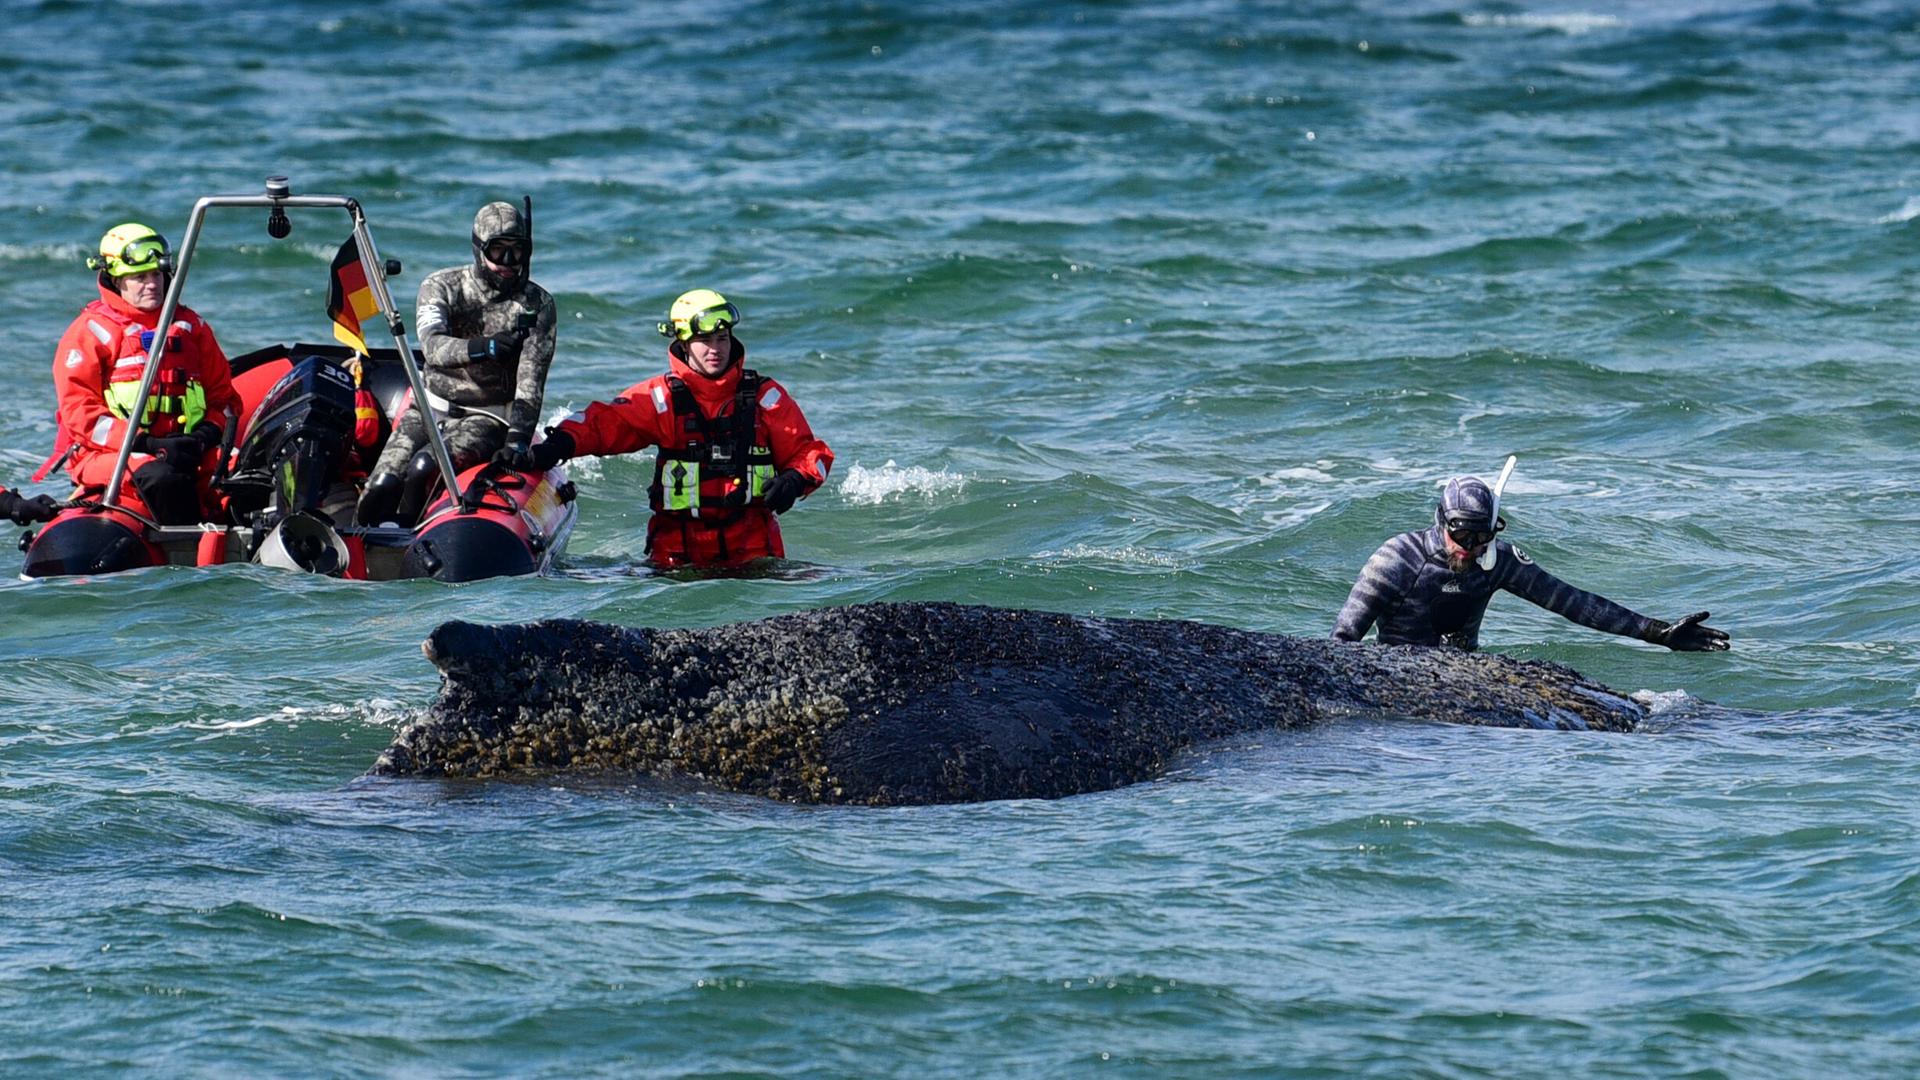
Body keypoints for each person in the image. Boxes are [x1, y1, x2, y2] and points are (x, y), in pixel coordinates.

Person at [526, 289, 833, 570]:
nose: (716, 349)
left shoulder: (766, 398)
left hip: (755, 558)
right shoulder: (661, 400)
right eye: (705, 341)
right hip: (676, 561)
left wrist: (795, 479)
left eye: (722, 338)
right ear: (685, 344)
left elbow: (811, 454)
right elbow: (603, 424)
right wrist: (557, 445)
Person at [1333, 474, 1729, 652]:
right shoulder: (1397, 558)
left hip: (1466, 673)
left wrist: (1658, 633)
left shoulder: (1496, 561)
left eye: (1482, 536)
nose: (1470, 548)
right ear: (1440, 521)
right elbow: (1343, 640)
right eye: (1461, 535)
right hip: (1398, 670)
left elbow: (1573, 602)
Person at [355, 200, 557, 526]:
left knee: (423, 469)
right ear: (479, 250)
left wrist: (517, 439)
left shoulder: (537, 305)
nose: (507, 262)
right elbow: (432, 347)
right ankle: (355, 548)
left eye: (516, 252)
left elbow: (531, 379)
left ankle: (407, 549)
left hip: (488, 418)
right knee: (382, 485)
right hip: (428, 409)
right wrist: (484, 347)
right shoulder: (441, 287)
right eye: (497, 251)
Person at [50, 222, 236, 524]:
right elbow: (80, 416)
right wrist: (147, 444)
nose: (152, 284)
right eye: (139, 277)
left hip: (188, 446)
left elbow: (224, 398)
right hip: (110, 453)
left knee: (248, 470)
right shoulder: (90, 333)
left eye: (156, 275)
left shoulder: (191, 327)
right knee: (162, 478)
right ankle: (188, 552)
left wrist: (205, 436)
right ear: (116, 280)